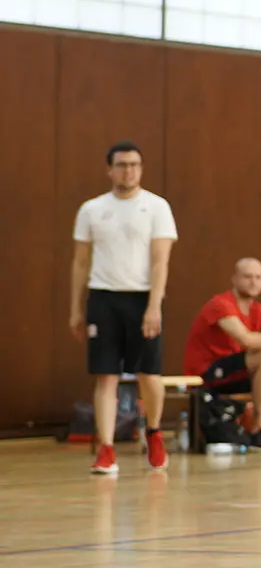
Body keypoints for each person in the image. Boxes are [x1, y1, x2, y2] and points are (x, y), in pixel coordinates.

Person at [70, 140, 178, 476]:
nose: (127, 170)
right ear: (109, 169)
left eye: (133, 164)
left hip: (143, 297)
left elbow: (161, 261)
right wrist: (76, 308)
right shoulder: (91, 209)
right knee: (106, 375)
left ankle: (155, 431)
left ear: (141, 169)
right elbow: (80, 262)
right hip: (104, 298)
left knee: (150, 374)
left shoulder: (157, 207)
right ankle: (106, 449)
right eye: (121, 164)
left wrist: (154, 306)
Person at [183, 257, 261, 452]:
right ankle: (258, 429)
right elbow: (246, 339)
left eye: (259, 277)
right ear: (234, 279)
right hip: (208, 371)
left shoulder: (257, 310)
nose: (254, 282)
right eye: (248, 277)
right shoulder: (220, 304)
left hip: (237, 371)